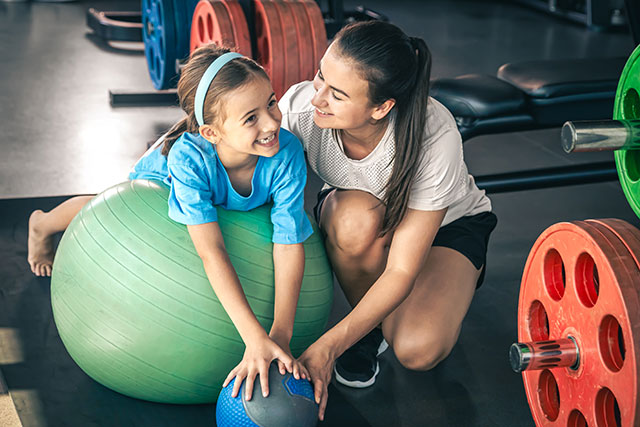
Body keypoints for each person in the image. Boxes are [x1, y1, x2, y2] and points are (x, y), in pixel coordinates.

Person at [27, 44, 312, 400]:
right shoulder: (187, 159)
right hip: (163, 182)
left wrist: (279, 334)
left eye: (271, 103)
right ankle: (43, 224)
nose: (272, 122)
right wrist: (253, 336)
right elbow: (212, 251)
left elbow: (289, 242)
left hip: (225, 183)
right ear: (211, 132)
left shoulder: (285, 153)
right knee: (104, 204)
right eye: (251, 117)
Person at [278, 21, 497, 420]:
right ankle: (371, 329)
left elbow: (400, 270)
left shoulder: (434, 133)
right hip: (361, 218)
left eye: (338, 95)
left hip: (447, 229)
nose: (317, 99)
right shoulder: (301, 107)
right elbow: (230, 146)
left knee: (417, 350)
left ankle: (452, 279)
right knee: (353, 222)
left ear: (382, 107)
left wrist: (328, 346)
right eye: (320, 76)